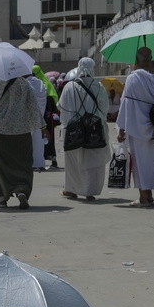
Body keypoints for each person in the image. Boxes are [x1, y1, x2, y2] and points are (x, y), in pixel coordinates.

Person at [0, 73, 42, 210]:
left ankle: (2, 197)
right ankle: (22, 189)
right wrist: (39, 125)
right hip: (21, 129)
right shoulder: (23, 83)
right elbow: (33, 105)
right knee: (23, 161)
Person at [116, 47, 154, 207]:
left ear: (137, 59)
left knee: (140, 164)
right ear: (151, 58)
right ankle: (149, 194)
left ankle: (144, 197)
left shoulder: (133, 78)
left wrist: (121, 128)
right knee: (152, 163)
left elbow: (125, 104)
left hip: (137, 127)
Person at [57, 57, 110, 201]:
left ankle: (71, 190)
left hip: (74, 130)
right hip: (94, 129)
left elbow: (62, 108)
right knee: (94, 160)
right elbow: (105, 109)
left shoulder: (69, 86)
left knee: (74, 160)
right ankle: (90, 191)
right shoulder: (98, 86)